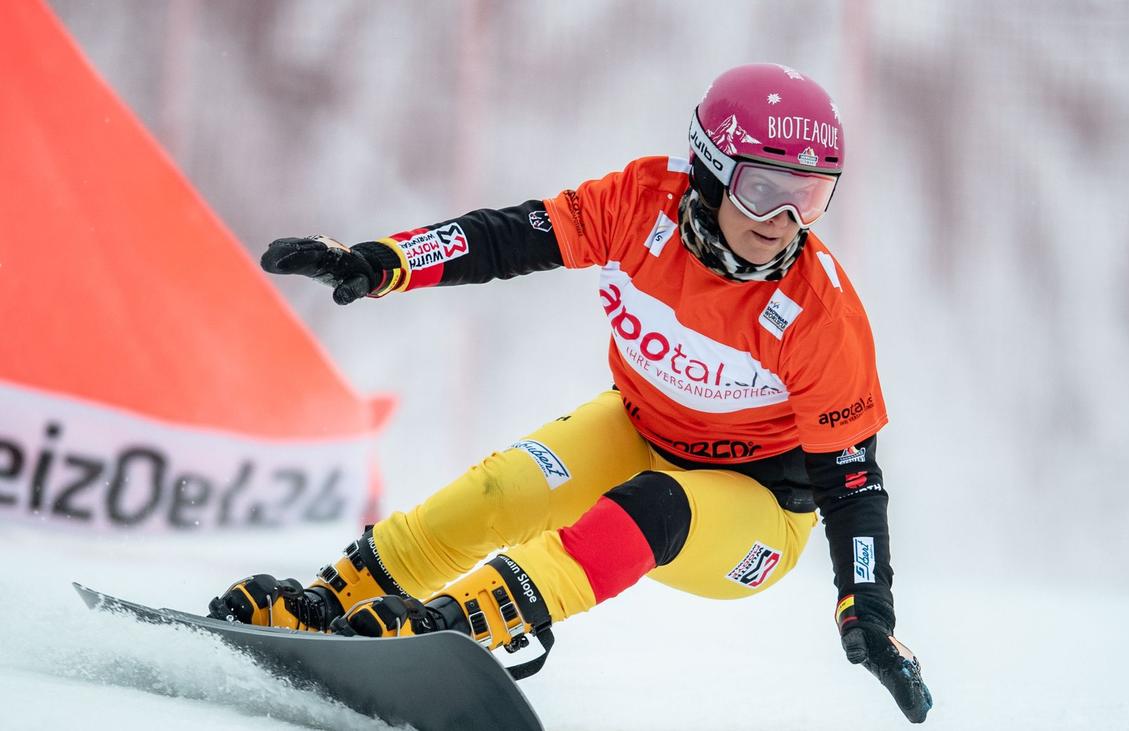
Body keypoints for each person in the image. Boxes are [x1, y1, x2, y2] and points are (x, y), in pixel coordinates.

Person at [210, 63, 933, 723]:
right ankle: (327, 601)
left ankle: (463, 620)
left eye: (809, 198)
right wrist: (384, 261)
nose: (783, 225)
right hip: (645, 428)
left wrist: (866, 604)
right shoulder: (640, 202)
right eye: (762, 191)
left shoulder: (820, 313)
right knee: (501, 492)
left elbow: (853, 482)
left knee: (653, 504)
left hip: (762, 508)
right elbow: (504, 239)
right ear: (709, 174)